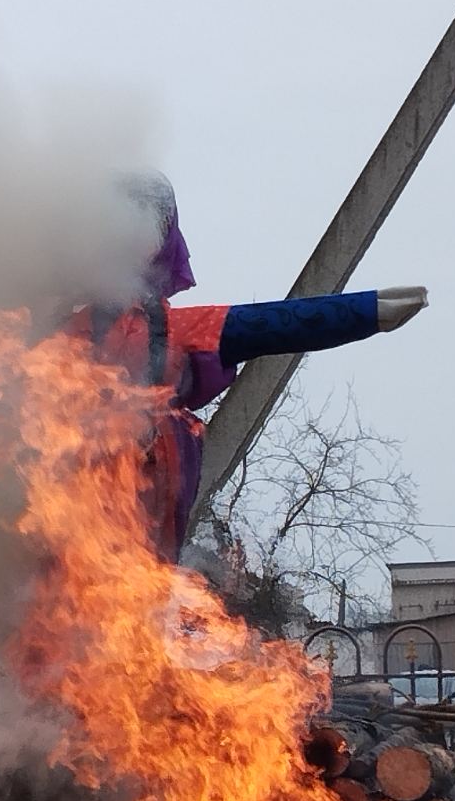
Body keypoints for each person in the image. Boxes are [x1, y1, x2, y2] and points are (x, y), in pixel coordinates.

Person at [64, 171, 428, 561]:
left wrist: (366, 310)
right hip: (56, 506)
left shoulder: (176, 330)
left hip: (139, 519)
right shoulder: (49, 331)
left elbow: (275, 324)